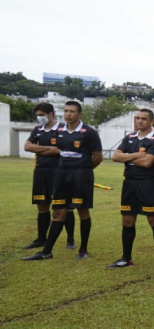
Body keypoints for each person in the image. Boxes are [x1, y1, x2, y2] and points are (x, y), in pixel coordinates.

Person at [22, 101, 102, 261]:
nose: (68, 114)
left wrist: (83, 170)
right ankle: (46, 251)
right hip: (61, 175)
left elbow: (98, 157)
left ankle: (83, 249)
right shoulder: (59, 131)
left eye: (72, 111)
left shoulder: (89, 132)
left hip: (80, 176)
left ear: (80, 114)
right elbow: (51, 149)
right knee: (58, 212)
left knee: (82, 211)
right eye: (66, 111)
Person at [107, 109, 154, 272]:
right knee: (127, 221)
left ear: (151, 121)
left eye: (144, 119)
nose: (140, 121)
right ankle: (126, 258)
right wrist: (136, 155)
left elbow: (148, 163)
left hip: (147, 184)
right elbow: (115, 157)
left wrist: (127, 156)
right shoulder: (130, 138)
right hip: (129, 183)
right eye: (138, 118)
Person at [22, 102, 76, 251]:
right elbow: (27, 146)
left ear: (50, 114)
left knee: (65, 207)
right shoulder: (37, 130)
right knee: (42, 206)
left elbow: (60, 150)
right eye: (38, 116)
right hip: (40, 171)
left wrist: (38, 149)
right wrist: (47, 149)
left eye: (42, 115)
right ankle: (41, 239)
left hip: (58, 171)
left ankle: (70, 239)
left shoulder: (62, 129)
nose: (39, 118)